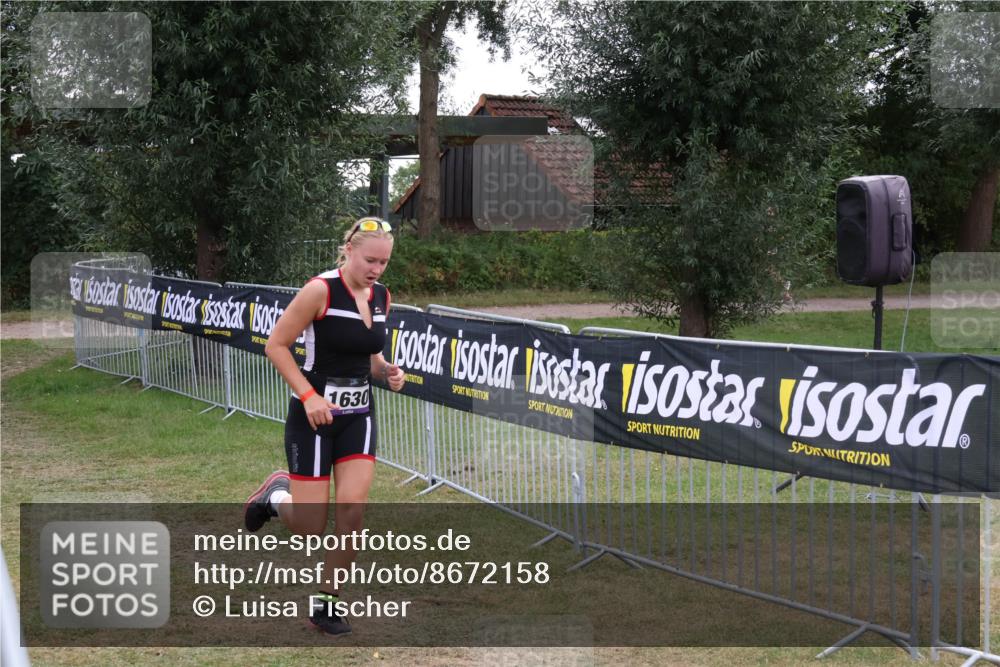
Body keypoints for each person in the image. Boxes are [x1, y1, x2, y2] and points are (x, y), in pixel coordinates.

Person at [243, 216, 405, 636]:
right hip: (313, 418)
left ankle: (327, 604)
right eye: (370, 260)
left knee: (352, 511)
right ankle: (275, 495)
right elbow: (276, 345)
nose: (377, 269)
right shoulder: (320, 290)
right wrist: (309, 395)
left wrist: (387, 370)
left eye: (384, 262)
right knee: (310, 525)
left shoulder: (382, 296)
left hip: (358, 417)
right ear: (349, 250)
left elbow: (368, 357)